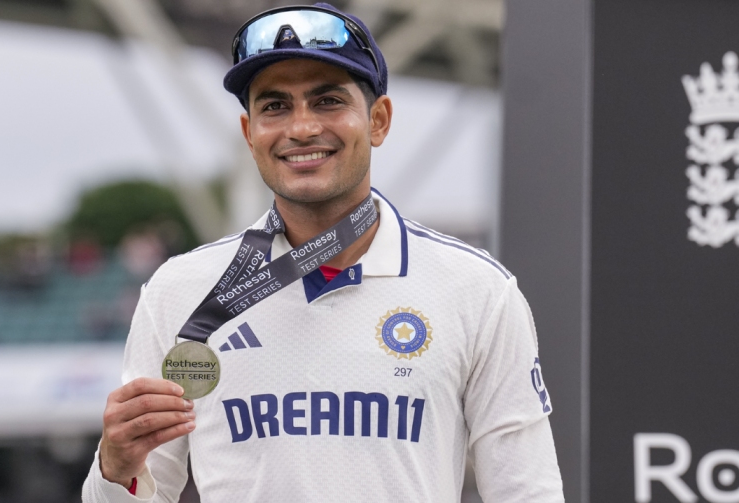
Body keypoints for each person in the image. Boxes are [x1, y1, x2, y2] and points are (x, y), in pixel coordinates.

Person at [83, 3, 564, 502]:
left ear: (378, 120)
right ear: (250, 135)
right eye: (274, 106)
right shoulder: (179, 291)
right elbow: (141, 491)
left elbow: (528, 492)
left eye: (328, 101)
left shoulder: (477, 290)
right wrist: (114, 469)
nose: (302, 128)